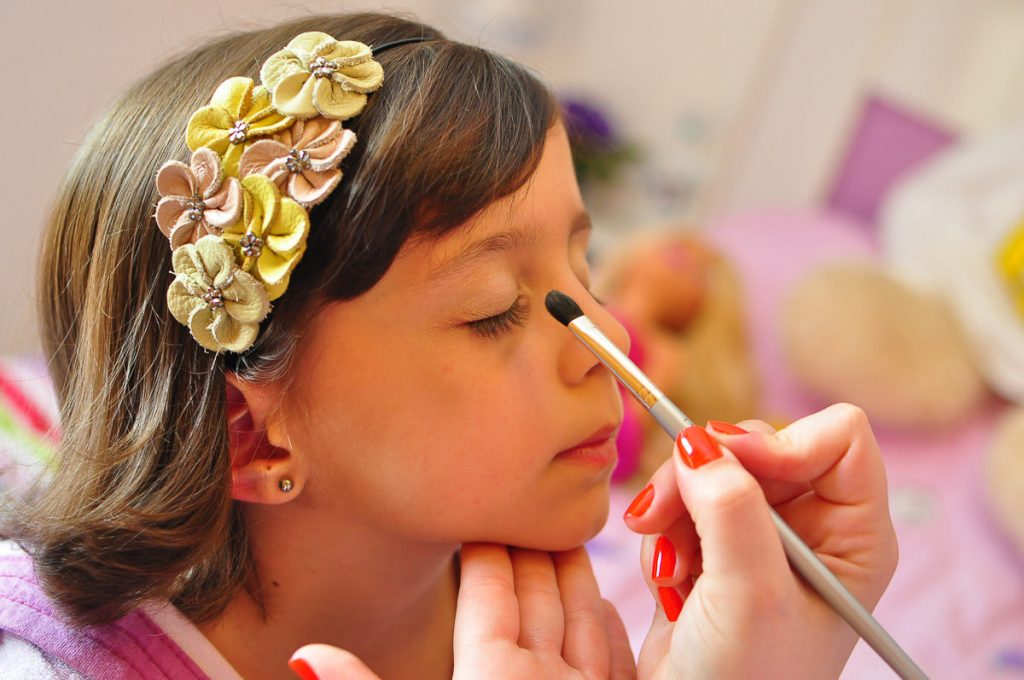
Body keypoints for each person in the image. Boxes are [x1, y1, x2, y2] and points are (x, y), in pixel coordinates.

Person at [0, 11, 898, 679]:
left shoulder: (538, 610)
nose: (609, 333)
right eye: (495, 307)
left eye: (588, 266)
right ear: (251, 433)